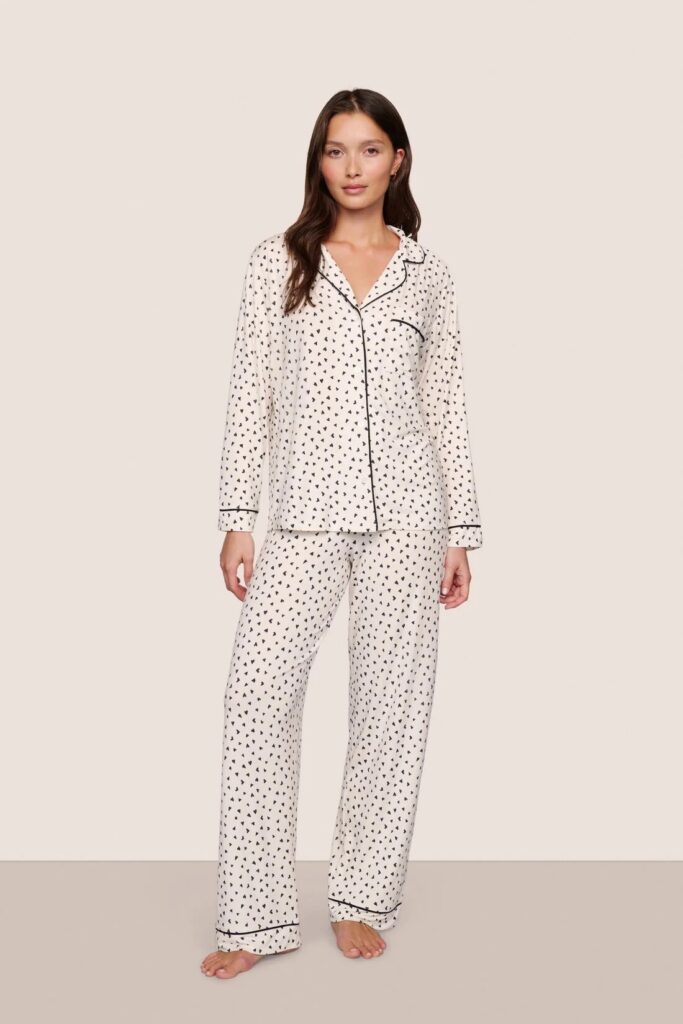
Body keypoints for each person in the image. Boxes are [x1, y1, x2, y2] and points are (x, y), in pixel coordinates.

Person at [201, 88, 483, 980]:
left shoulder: (427, 274)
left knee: (391, 707)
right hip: (303, 513)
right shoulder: (277, 262)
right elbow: (249, 394)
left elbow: (444, 405)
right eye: (334, 150)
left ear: (397, 159)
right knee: (257, 696)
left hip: (409, 513)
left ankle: (361, 897)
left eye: (368, 149)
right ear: (317, 161)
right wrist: (236, 519)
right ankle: (253, 915)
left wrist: (460, 531)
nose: (351, 167)